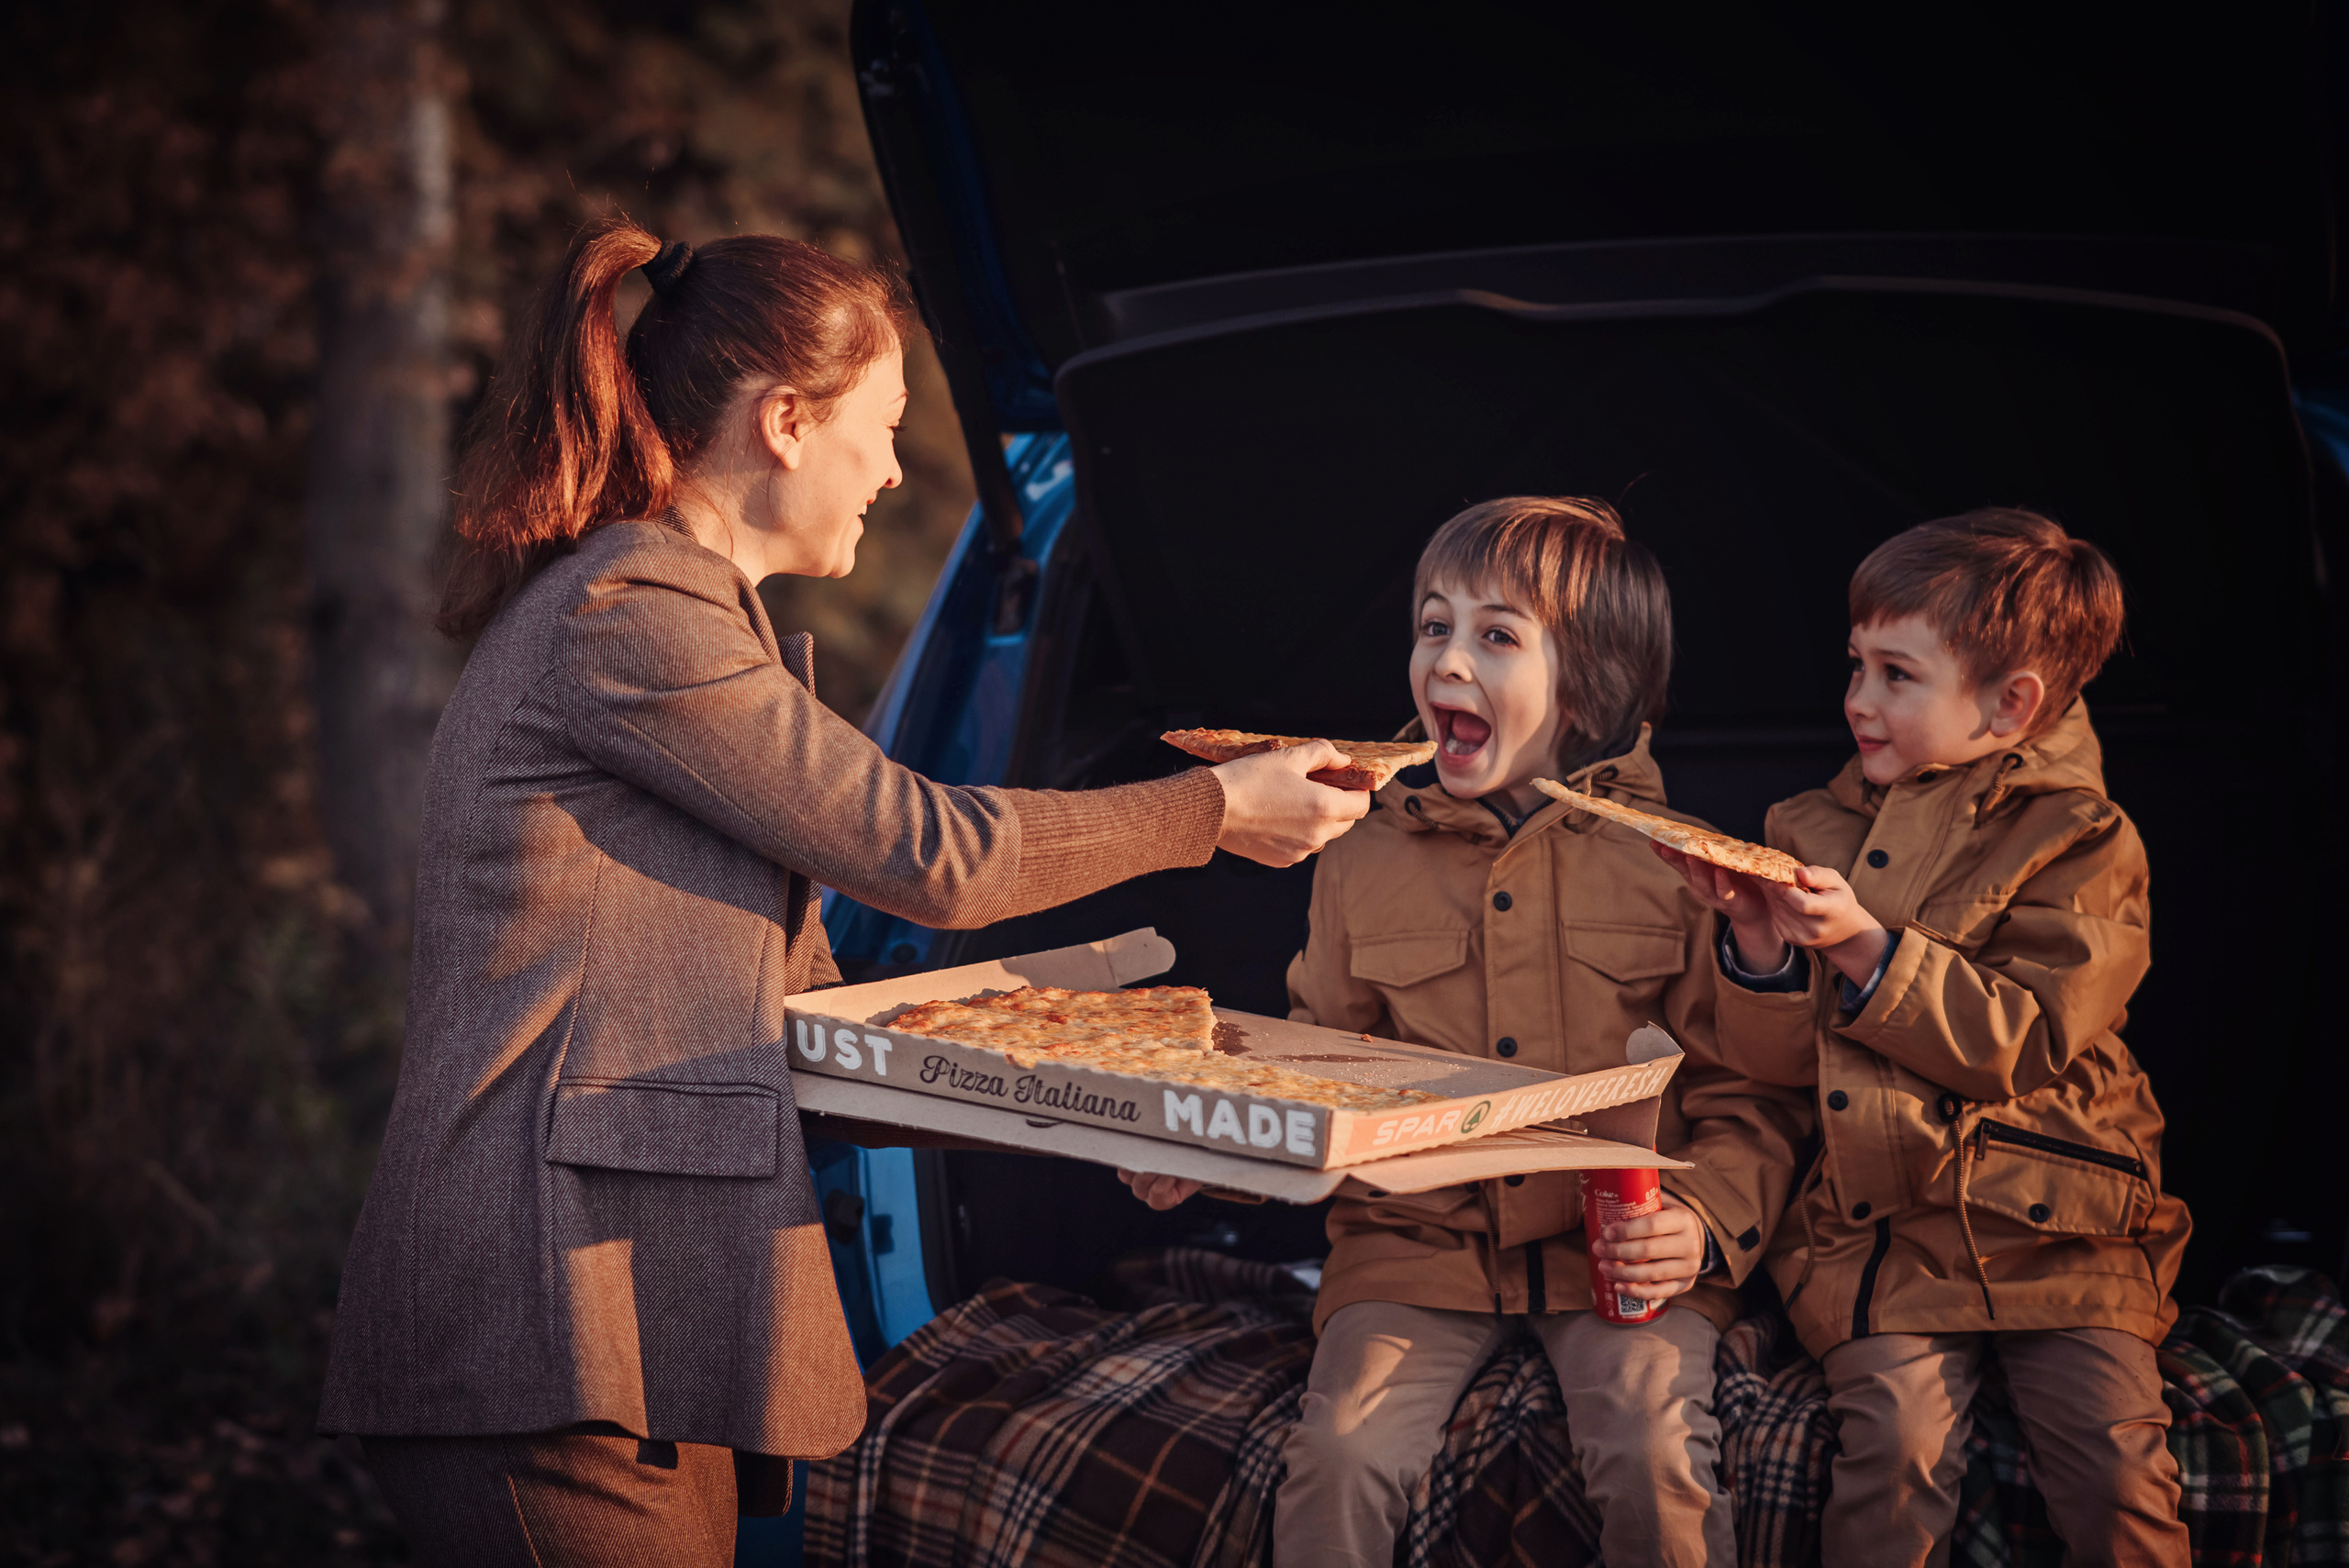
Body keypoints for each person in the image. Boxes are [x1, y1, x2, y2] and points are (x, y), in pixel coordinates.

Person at [316, 217, 1368, 1568]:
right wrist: (1218, 811)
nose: (892, 468)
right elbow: (930, 853)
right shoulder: (628, 618)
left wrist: (1115, 1109)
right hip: (535, 1329)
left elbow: (823, 1030)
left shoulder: (683, 620)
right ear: (788, 421)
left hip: (631, 1334)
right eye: (880, 425)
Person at [1127, 498, 1810, 1567]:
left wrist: (1704, 1222)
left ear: (1587, 682)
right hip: (1414, 1251)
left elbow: (1747, 1092)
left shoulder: (1681, 866)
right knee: (1340, 1459)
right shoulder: (1357, 854)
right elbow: (1320, 1071)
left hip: (1615, 1253)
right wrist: (1210, 1159)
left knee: (1654, 1452)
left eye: (1496, 634)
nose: (1446, 659)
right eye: (1432, 624)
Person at [1656, 508, 2192, 1567]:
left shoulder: (2082, 838)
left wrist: (1866, 948)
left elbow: (2025, 1035)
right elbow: (1770, 1074)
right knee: (1891, 1461)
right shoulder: (1804, 828)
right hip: (1880, 1239)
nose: (1856, 699)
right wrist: (1759, 950)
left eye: (1896, 674)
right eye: (1853, 664)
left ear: (2010, 703)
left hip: (2061, 1226)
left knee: (2115, 1466)